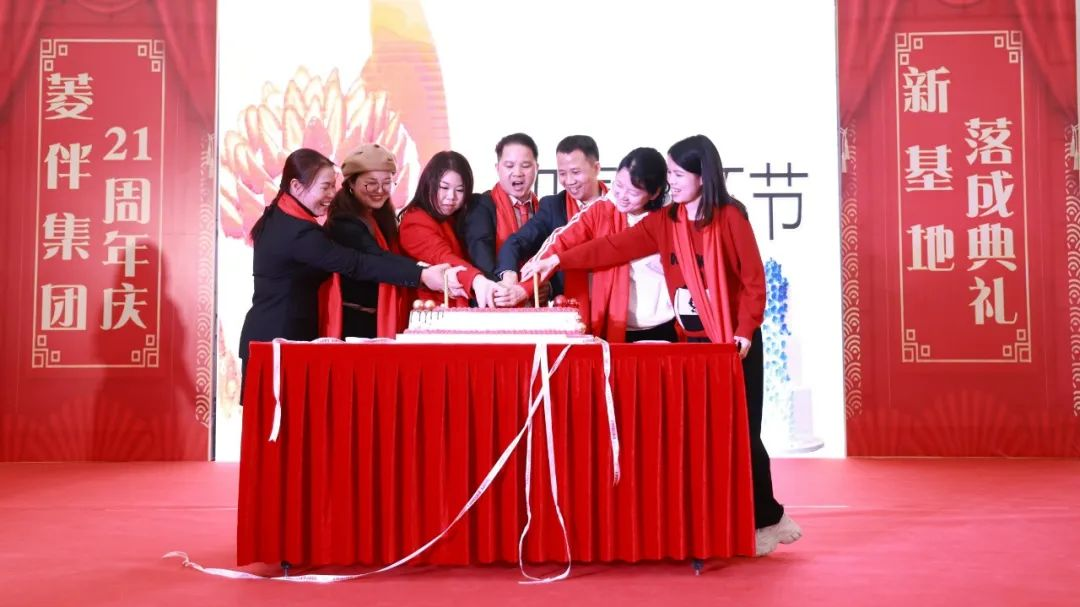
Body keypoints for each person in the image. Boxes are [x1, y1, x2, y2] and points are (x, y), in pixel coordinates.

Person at [521, 135, 801, 555]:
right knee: (707, 437)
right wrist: (559, 260)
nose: (672, 182)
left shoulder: (730, 216)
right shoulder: (665, 222)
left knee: (744, 433)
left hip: (733, 343)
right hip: (692, 344)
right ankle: (722, 523)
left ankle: (769, 518)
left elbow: (752, 281)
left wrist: (745, 330)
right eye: (669, 173)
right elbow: (611, 248)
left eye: (678, 174)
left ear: (703, 176)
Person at [238, 148, 458, 390]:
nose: (332, 194)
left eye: (333, 186)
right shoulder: (300, 233)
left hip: (280, 337)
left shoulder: (283, 216)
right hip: (278, 340)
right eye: (325, 187)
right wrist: (422, 275)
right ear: (297, 187)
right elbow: (356, 263)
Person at [496, 147, 675, 342]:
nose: (622, 195)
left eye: (632, 192)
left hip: (664, 325)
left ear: (655, 193)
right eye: (619, 185)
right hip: (615, 326)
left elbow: (611, 247)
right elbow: (560, 242)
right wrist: (525, 287)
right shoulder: (601, 210)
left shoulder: (672, 220)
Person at [494, 135, 607, 311]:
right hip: (570, 308)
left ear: (596, 168)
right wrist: (510, 278)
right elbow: (517, 242)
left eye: (576, 172)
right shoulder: (553, 206)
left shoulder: (619, 204)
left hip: (617, 304)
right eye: (562, 173)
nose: (569, 181)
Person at [325, 143, 423, 338]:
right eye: (371, 183)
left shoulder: (379, 217)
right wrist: (423, 272)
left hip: (375, 321)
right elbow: (377, 258)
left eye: (387, 183)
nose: (380, 190)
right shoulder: (343, 222)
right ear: (351, 183)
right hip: (354, 324)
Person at [398, 151, 503, 307]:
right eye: (444, 187)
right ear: (428, 184)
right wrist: (477, 280)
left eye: (459, 190)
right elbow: (443, 257)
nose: (451, 197)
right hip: (432, 311)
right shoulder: (415, 221)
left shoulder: (454, 218)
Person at [462, 133, 541, 275]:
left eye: (525, 166)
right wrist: (510, 284)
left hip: (538, 287)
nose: (517, 173)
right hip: (497, 286)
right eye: (509, 166)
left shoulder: (543, 209)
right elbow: (482, 262)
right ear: (498, 168)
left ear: (537, 168)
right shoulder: (481, 206)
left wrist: (547, 285)